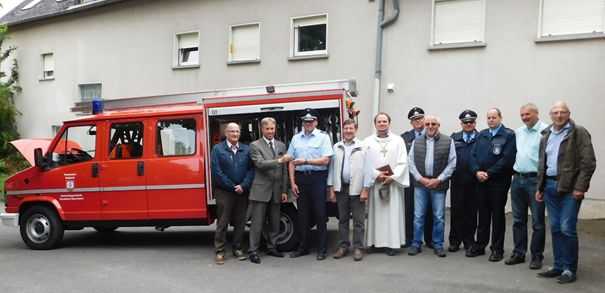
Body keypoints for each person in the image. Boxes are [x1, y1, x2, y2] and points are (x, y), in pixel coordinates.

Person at [536, 102, 596, 284]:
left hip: (570, 189)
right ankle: (558, 265)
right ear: (550, 115)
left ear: (569, 114)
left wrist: (580, 187)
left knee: (566, 228)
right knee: (555, 227)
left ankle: (570, 269)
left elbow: (589, 163)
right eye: (555, 112)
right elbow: (542, 163)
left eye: (563, 112)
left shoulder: (579, 132)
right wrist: (540, 187)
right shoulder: (546, 134)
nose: (559, 115)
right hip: (550, 187)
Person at [468, 108, 516, 262]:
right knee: (482, 214)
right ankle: (480, 245)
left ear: (500, 118)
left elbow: (507, 159)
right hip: (481, 181)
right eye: (488, 118)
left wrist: (489, 173)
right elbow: (472, 155)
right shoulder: (482, 134)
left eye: (494, 117)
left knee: (497, 216)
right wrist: (476, 171)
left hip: (498, 182)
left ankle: (497, 249)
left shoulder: (508, 135)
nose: (491, 120)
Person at [505, 104, 548, 269]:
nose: (524, 117)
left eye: (527, 114)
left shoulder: (546, 131)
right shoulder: (519, 132)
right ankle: (519, 253)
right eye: (522, 115)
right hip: (517, 180)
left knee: (537, 221)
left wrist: (542, 184)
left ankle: (537, 256)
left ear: (537, 113)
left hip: (535, 181)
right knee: (518, 220)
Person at [288, 108, 334, 260]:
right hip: (301, 179)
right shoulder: (296, 138)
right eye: (305, 121)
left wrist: (306, 161)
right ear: (302, 122)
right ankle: (303, 247)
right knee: (302, 215)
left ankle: (322, 249)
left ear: (316, 122)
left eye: (310, 121)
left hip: (317, 178)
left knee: (320, 214)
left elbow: (326, 160)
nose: (308, 123)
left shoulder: (323, 137)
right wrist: (292, 182)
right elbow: (291, 161)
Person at [407, 115, 456, 257]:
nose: (430, 126)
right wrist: (420, 178)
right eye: (427, 123)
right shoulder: (417, 141)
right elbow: (410, 162)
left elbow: (452, 163)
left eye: (433, 123)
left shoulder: (448, 141)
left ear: (438, 125)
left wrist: (438, 179)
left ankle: (438, 244)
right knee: (418, 216)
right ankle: (416, 243)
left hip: (438, 185)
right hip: (420, 184)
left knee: (439, 216)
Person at [363, 112, 409, 255]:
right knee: (375, 213)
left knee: (392, 214)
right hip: (375, 182)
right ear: (375, 124)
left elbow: (403, 161)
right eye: (379, 121)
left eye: (384, 121)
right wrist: (376, 174)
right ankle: (374, 242)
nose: (382, 124)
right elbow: (363, 162)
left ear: (389, 123)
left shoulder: (398, 140)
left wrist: (393, 176)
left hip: (393, 184)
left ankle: (392, 244)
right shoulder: (367, 142)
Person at [247, 117, 292, 264]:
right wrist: (279, 160)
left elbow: (285, 170)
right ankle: (253, 251)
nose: (270, 131)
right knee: (257, 224)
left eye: (272, 129)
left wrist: (285, 190)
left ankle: (272, 247)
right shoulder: (255, 145)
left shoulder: (281, 145)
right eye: (267, 129)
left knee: (274, 222)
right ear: (262, 129)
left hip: (277, 191)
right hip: (260, 191)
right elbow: (259, 164)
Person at [211, 122, 254, 265]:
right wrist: (232, 186)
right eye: (232, 131)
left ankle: (237, 248)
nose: (235, 134)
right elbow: (217, 172)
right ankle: (220, 251)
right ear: (226, 133)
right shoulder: (217, 149)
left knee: (240, 222)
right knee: (222, 222)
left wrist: (243, 185)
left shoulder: (246, 149)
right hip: (224, 191)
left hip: (242, 191)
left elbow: (251, 170)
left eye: (237, 131)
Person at [328, 119, 366, 261]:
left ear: (355, 129)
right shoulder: (336, 146)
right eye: (346, 128)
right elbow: (332, 169)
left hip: (357, 188)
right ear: (342, 130)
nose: (348, 131)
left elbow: (368, 169)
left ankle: (358, 248)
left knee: (358, 221)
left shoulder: (363, 146)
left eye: (351, 128)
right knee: (343, 220)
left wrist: (365, 189)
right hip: (341, 188)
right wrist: (331, 188)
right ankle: (343, 246)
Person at [401, 107, 433, 248]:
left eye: (420, 118)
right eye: (414, 119)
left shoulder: (432, 134)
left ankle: (430, 239)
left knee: (429, 209)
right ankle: (410, 238)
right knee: (410, 209)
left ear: (424, 119)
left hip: (428, 178)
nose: (418, 121)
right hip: (410, 179)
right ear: (411, 122)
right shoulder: (405, 138)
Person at [449, 110, 480, 256]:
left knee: (471, 213)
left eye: (471, 122)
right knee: (456, 211)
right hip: (457, 180)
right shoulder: (454, 138)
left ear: (475, 123)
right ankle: (455, 241)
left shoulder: (481, 138)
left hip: (474, 182)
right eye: (465, 122)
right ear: (461, 123)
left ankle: (469, 241)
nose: (468, 124)